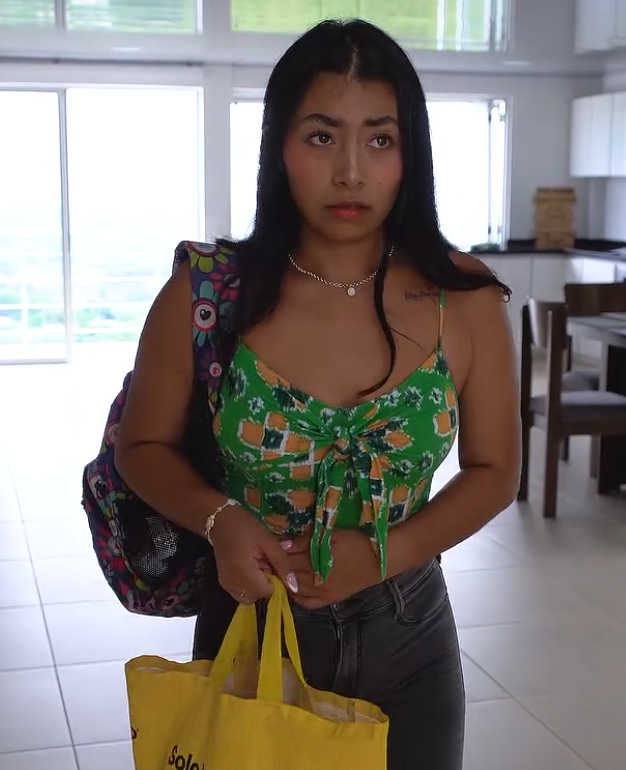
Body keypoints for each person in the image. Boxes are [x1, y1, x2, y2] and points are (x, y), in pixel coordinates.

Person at [115, 18, 520, 770]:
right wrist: (220, 519)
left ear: (410, 153)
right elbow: (140, 446)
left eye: (379, 139)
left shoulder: (462, 297)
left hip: (410, 632)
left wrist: (388, 553)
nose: (350, 173)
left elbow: (496, 471)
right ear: (279, 146)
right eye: (321, 136)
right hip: (250, 624)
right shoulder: (206, 294)